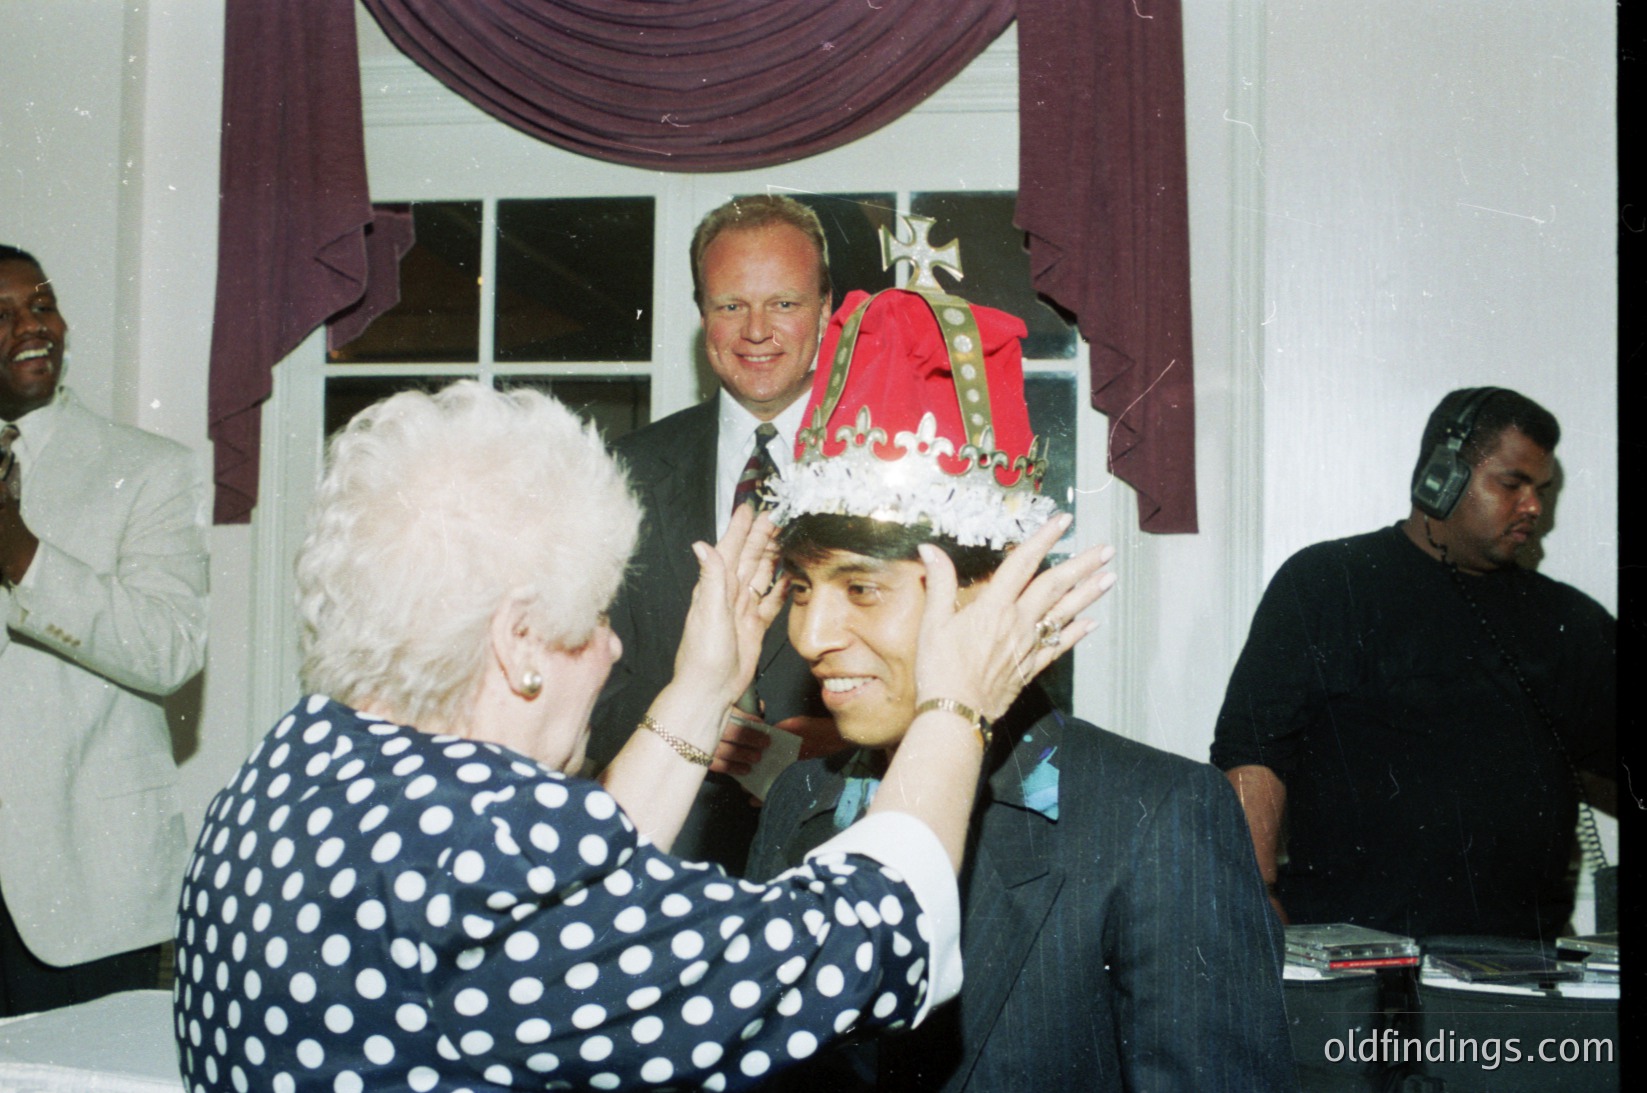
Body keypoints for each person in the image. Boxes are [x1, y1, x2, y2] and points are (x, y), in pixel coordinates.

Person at [172, 381, 1111, 1091]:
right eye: (595, 616)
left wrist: (701, 690)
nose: (615, 645)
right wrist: (956, 703)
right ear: (518, 641)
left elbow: (555, 912)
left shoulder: (296, 763)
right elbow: (872, 939)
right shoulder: (493, 853)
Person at [747, 244, 1296, 1092]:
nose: (812, 632)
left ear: (990, 594)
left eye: (861, 587)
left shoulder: (1157, 820)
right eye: (800, 586)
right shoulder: (801, 802)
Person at [1212, 387, 1616, 941]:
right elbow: (1253, 747)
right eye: (1512, 483)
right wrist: (1255, 899)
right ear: (1441, 476)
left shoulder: (1571, 619)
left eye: (1541, 490)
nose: (1534, 507)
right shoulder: (1330, 582)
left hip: (1523, 959)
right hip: (1358, 956)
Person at [590, 194, 840, 874]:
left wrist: (851, 737)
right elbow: (582, 689)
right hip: (662, 860)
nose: (756, 330)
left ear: (826, 311)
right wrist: (692, 722)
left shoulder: (891, 467)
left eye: (783, 303)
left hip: (841, 852)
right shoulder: (622, 473)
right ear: (703, 314)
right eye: (731, 305)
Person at [0, 244, 209, 1015]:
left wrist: (21, 553)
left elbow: (170, 648)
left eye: (43, 304)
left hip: (84, 887)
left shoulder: (147, 469)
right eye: (3, 314)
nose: (33, 326)